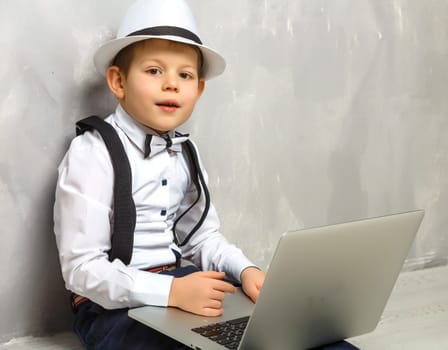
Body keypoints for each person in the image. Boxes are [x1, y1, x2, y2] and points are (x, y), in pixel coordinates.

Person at [54, 0, 358, 349]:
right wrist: (172, 291)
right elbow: (81, 270)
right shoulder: (91, 153)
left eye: (184, 75)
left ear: (198, 89)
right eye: (154, 71)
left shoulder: (185, 152)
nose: (171, 84)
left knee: (295, 335)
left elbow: (202, 239)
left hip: (182, 286)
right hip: (113, 310)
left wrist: (246, 271)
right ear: (118, 81)